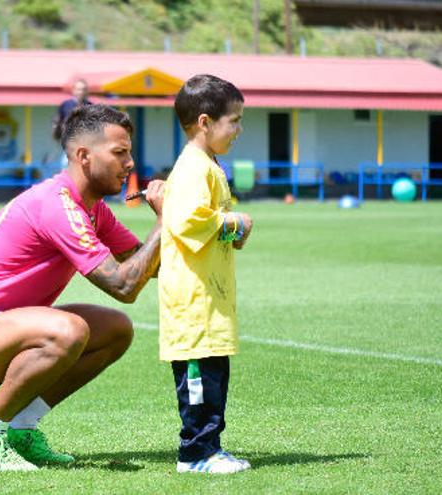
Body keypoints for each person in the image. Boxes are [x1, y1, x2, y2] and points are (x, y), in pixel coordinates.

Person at [0, 104, 165, 472]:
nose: (130, 163)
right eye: (119, 152)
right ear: (83, 156)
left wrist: (211, 230)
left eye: (129, 152)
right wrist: (166, 219)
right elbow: (124, 284)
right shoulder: (57, 205)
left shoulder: (93, 209)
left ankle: (21, 430)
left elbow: (146, 266)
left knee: (116, 330)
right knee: (69, 331)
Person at [159, 74, 254, 474]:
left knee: (214, 377)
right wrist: (235, 222)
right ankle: (195, 453)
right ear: (204, 122)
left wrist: (233, 230)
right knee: (198, 380)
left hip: (210, 300)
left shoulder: (209, 165)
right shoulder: (193, 168)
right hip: (193, 303)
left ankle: (211, 447)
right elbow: (187, 219)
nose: (238, 129)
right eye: (233, 120)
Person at [51, 79, 92, 168]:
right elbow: (57, 121)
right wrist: (56, 133)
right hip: (69, 143)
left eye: (83, 89)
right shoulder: (65, 105)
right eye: (78, 89)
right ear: (74, 90)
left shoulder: (91, 106)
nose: (81, 92)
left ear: (86, 91)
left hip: (86, 144)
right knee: (65, 165)